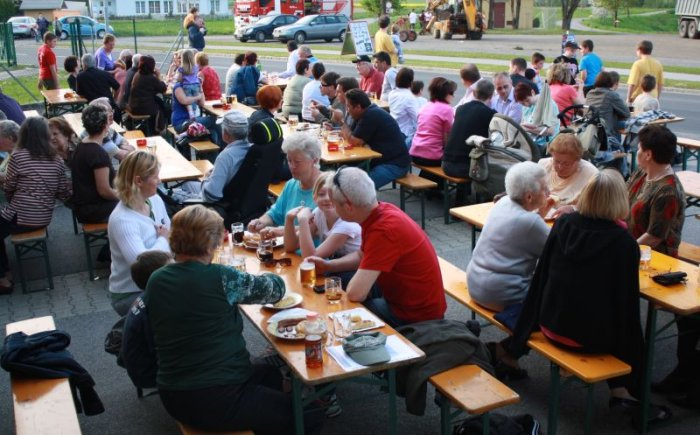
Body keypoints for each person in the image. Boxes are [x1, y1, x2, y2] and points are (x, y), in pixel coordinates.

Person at [497, 169, 672, 426]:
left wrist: (520, 337)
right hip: (587, 339)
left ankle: (620, 391)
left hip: (549, 323)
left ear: (586, 194)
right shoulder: (623, 243)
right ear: (620, 200)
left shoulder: (564, 224)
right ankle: (626, 393)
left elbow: (541, 279)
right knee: (627, 328)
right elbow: (625, 307)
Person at [144, 205, 323, 434]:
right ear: (210, 244)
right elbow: (275, 290)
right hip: (217, 395)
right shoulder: (220, 278)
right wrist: (266, 271)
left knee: (269, 374)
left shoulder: (156, 279)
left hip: (173, 393)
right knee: (310, 414)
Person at [309, 167, 446, 327]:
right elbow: (361, 256)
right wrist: (328, 266)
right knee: (336, 282)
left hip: (417, 317)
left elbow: (355, 294)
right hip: (408, 302)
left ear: (348, 207)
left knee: (338, 315)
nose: (331, 206)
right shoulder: (379, 211)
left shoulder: (384, 231)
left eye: (334, 203)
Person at [467, 162, 552, 312]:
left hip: (475, 284)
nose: (549, 192)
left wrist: (540, 214)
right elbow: (556, 251)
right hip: (504, 296)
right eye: (544, 188)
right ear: (529, 196)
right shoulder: (531, 221)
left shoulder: (503, 202)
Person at [0, 117, 71, 293]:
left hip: (21, 216)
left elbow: (8, 187)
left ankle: (3, 278)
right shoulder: (56, 160)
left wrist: (14, 201)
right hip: (43, 217)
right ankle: (5, 272)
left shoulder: (18, 156)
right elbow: (63, 192)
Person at [109, 151, 171, 316]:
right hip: (131, 293)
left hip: (159, 281)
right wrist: (162, 240)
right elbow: (143, 266)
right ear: (138, 181)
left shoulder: (155, 200)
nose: (160, 181)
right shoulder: (123, 220)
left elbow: (170, 232)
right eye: (155, 177)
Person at [248, 133, 322, 239]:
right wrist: (260, 222)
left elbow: (320, 229)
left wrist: (283, 231)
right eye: (289, 160)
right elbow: (274, 214)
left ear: (314, 160)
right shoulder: (291, 184)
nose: (292, 166)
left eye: (297, 162)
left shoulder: (327, 188)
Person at [627, 125, 684, 257]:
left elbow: (653, 238)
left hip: (653, 257)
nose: (637, 151)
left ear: (648, 155)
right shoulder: (642, 172)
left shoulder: (667, 192)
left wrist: (624, 250)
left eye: (639, 148)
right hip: (631, 245)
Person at [284, 171, 361, 260]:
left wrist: (303, 220)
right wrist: (289, 219)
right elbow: (291, 247)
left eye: (332, 194)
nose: (327, 198)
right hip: (334, 264)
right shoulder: (319, 213)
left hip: (358, 267)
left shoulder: (346, 224)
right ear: (314, 197)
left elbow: (310, 258)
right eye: (321, 194)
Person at [341, 89, 410, 189]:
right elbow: (353, 137)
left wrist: (342, 123)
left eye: (348, 106)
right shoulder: (364, 113)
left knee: (361, 187)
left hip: (395, 164)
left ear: (358, 107)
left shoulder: (371, 114)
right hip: (379, 160)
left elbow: (354, 140)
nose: (347, 110)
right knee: (345, 176)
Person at [69, 105, 119, 224]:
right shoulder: (98, 153)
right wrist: (125, 196)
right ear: (105, 126)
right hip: (94, 210)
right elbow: (104, 191)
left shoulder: (81, 146)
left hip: (84, 207)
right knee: (140, 203)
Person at [443, 79, 496, 179]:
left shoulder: (460, 109)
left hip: (446, 163)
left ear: (474, 93)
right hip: (466, 167)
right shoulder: (490, 114)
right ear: (491, 96)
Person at [537, 133, 598, 217]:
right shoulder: (543, 165)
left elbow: (596, 206)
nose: (560, 167)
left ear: (578, 160)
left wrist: (574, 208)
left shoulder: (591, 174)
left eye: (566, 164)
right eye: (556, 161)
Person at [409, 77, 456, 172]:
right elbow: (447, 138)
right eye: (451, 93)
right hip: (432, 156)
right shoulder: (447, 109)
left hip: (415, 153)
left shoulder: (426, 106)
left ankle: (425, 181)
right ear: (445, 94)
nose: (453, 96)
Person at [171, 67, 221, 147]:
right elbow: (185, 101)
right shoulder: (178, 87)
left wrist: (200, 87)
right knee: (215, 121)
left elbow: (202, 103)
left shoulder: (193, 86)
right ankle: (223, 147)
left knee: (212, 132)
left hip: (192, 120)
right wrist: (197, 97)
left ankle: (214, 151)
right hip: (181, 122)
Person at [585, 71, 631, 148]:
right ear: (611, 82)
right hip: (605, 131)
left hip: (590, 128)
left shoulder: (590, 93)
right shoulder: (611, 94)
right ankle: (622, 150)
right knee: (632, 125)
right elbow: (626, 113)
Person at [127, 55, 169, 134]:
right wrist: (159, 76)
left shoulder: (137, 74)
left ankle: (155, 128)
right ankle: (159, 129)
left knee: (159, 101)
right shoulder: (151, 78)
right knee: (162, 107)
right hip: (141, 108)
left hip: (133, 105)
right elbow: (163, 88)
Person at [513, 82, 559, 152]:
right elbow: (523, 123)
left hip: (546, 143)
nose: (526, 104)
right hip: (532, 140)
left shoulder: (548, 104)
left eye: (527, 100)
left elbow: (550, 131)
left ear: (533, 92)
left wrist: (527, 129)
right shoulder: (525, 107)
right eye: (522, 103)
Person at [76, 54, 121, 121]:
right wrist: (114, 99)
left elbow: (80, 95)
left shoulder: (80, 76)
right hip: (110, 108)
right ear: (95, 63)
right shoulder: (105, 73)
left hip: (93, 112)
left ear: (84, 64)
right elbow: (118, 87)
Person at [388, 67, 418, 147]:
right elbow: (417, 118)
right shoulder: (409, 97)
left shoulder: (392, 93)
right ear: (411, 82)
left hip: (393, 129)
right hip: (405, 133)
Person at [627, 40, 663, 104]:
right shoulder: (658, 64)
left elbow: (632, 84)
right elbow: (660, 84)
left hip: (638, 98)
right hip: (653, 97)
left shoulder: (637, 64)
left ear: (639, 50)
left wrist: (628, 98)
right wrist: (657, 98)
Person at [175, 49, 202, 120]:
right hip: (195, 85)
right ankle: (195, 111)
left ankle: (191, 113)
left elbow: (179, 79)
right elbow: (196, 75)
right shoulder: (196, 67)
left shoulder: (182, 68)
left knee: (189, 100)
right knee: (195, 98)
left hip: (187, 85)